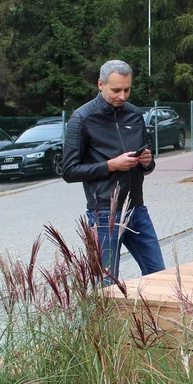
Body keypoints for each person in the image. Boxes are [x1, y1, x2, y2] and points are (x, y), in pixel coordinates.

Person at [62, 60, 166, 278]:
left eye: (127, 89)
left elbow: (148, 166)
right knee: (107, 285)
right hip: (104, 214)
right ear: (100, 84)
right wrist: (111, 165)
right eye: (116, 90)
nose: (123, 96)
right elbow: (69, 171)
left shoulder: (135, 115)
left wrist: (147, 161)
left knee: (160, 276)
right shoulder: (82, 119)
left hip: (137, 209)